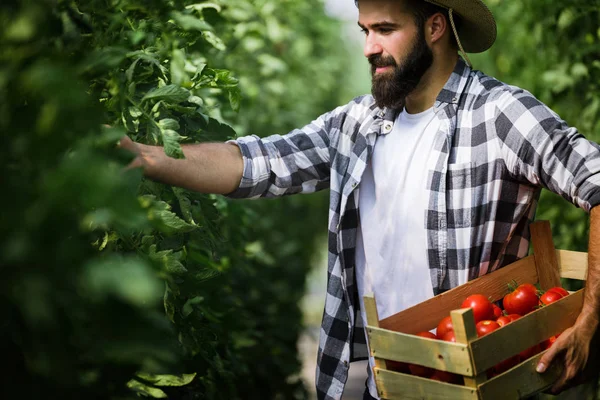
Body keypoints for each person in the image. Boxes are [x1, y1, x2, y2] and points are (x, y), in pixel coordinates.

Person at [119, 0, 600, 398]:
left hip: (473, 384)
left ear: (435, 26)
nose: (370, 47)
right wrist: (150, 158)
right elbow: (259, 164)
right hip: (379, 385)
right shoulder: (357, 124)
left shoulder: (499, 115)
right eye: (364, 29)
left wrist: (591, 320)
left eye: (385, 29)